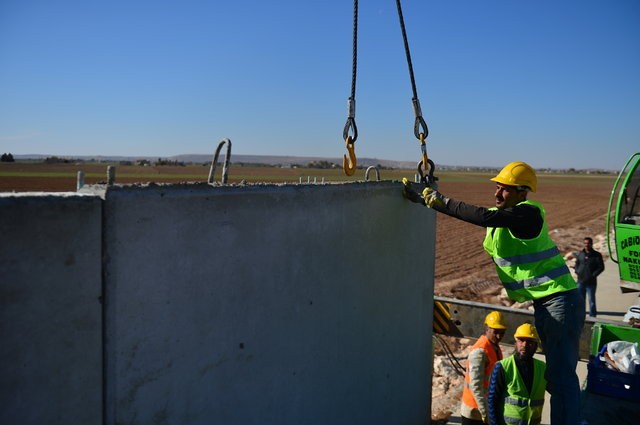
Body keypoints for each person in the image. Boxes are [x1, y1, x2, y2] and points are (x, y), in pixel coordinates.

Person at [403, 161, 584, 425]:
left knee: (561, 377)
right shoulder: (507, 216)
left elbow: (484, 217)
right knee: (558, 377)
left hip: (560, 302)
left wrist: (439, 201)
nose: (498, 194)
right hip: (547, 303)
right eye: (497, 187)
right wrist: (424, 198)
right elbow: (483, 216)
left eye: (506, 189)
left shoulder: (527, 214)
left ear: (523, 192)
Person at [487, 323, 547, 425]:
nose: (525, 345)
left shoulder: (542, 368)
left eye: (530, 342)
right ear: (515, 343)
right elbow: (491, 401)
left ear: (536, 345)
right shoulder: (503, 367)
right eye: (521, 340)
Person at [460, 311, 507, 425]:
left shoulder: (494, 346)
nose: (499, 336)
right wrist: (485, 412)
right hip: (475, 411)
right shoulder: (480, 351)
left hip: (484, 407)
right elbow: (475, 385)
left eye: (502, 332)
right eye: (496, 332)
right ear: (487, 329)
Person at [573, 237, 604, 317]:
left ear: (591, 244)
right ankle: (581, 315)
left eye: (588, 243)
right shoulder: (581, 254)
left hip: (591, 283)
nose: (587, 245)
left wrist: (593, 275)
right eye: (585, 243)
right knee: (580, 301)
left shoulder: (597, 255)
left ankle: (593, 316)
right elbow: (577, 264)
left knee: (592, 301)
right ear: (584, 244)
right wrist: (577, 271)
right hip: (580, 282)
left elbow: (601, 267)